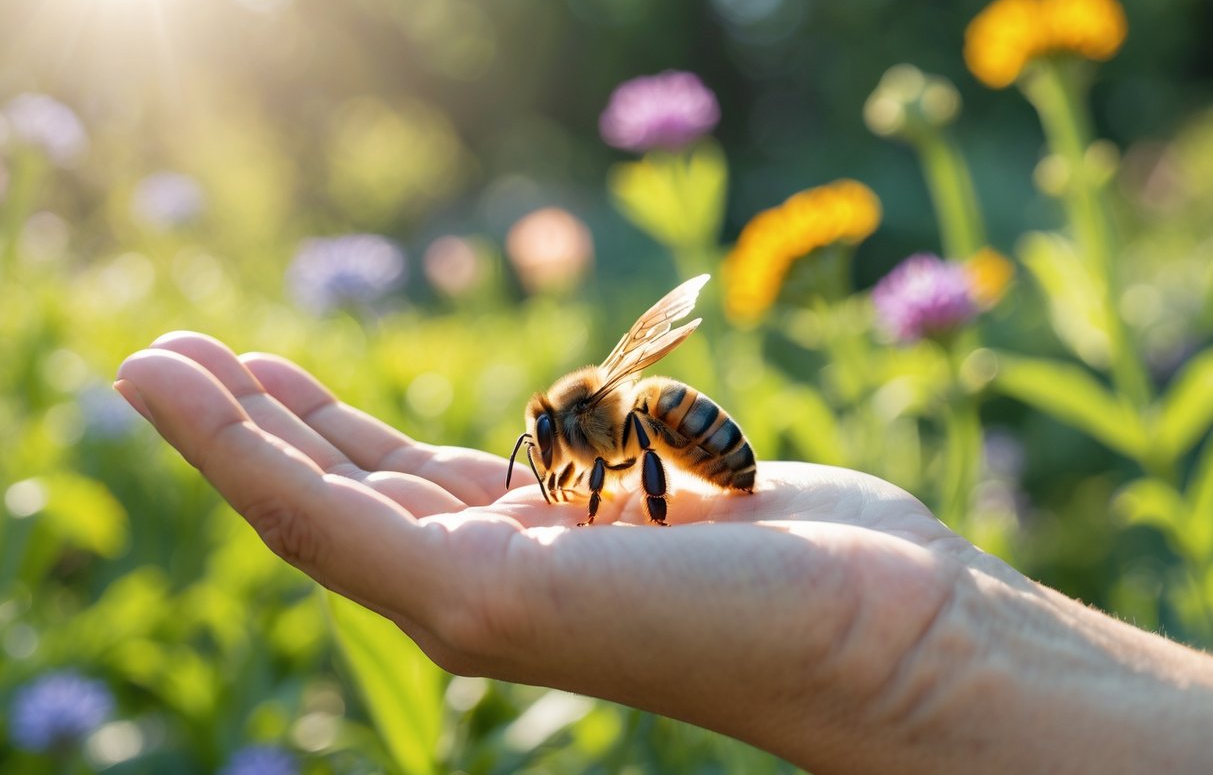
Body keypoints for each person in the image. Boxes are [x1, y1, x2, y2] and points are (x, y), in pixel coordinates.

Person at [115, 331, 1213, 773]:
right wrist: (928, 640)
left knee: (652, 435)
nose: (547, 465)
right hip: (688, 440)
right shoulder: (585, 422)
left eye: (546, 452)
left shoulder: (603, 423)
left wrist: (917, 647)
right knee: (648, 435)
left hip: (690, 443)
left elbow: (604, 454)